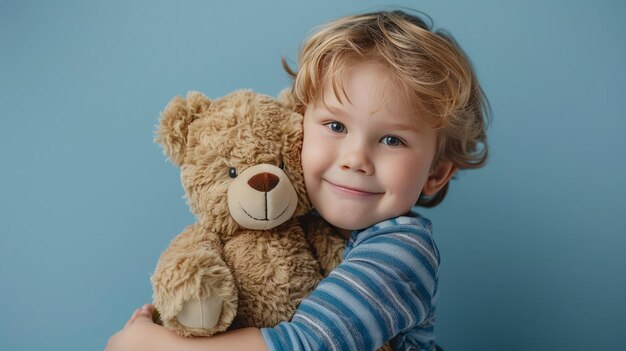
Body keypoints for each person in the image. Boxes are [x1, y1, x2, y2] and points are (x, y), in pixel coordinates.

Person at [106, 9, 489, 351]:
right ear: (298, 128)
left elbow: (307, 344)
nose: (355, 159)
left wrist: (149, 344)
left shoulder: (403, 251)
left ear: (436, 173)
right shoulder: (287, 220)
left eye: (392, 140)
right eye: (336, 125)